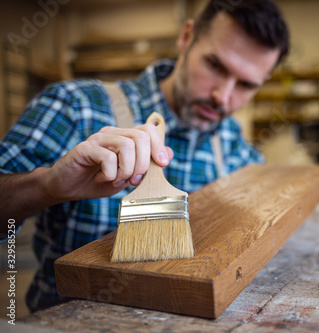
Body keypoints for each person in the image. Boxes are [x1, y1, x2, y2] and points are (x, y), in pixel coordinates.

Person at [0, 0, 289, 312]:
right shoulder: (74, 107)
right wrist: (45, 187)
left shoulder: (236, 147)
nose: (223, 96)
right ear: (186, 37)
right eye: (215, 66)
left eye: (246, 85)